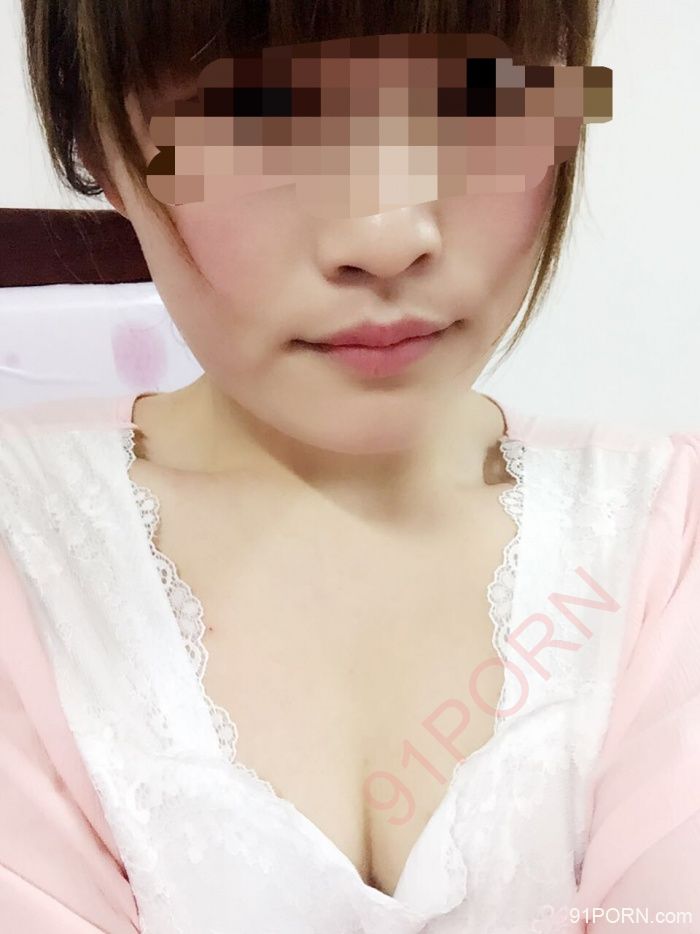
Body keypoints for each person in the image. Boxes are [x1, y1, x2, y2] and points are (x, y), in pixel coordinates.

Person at [1, 1, 698, 931]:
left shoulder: (663, 535)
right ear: (100, 144)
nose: (386, 234)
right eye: (258, 118)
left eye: (475, 101)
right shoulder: (26, 551)